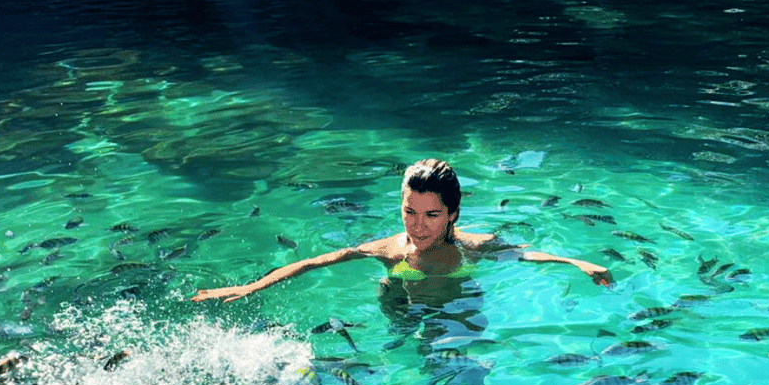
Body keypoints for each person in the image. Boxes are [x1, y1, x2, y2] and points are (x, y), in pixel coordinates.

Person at [190, 158, 613, 304]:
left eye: (431, 215)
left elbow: (523, 253)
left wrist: (577, 261)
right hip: (399, 294)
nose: (417, 226)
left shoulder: (473, 247)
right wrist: (252, 287)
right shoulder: (391, 249)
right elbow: (316, 261)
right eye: (410, 211)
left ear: (452, 214)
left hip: (454, 299)